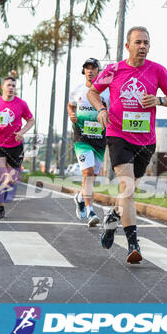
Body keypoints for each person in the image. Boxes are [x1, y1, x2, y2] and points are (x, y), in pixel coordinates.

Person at [87, 26, 167, 264]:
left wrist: (159, 99)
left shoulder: (157, 70)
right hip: (118, 134)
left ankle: (112, 218)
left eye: (146, 43)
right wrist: (101, 109)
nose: (143, 46)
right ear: (128, 46)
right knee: (127, 187)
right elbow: (93, 92)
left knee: (128, 192)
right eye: (138, 42)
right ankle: (133, 244)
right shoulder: (114, 70)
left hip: (145, 140)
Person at [0, 77, 35, 219]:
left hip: (15, 145)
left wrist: (22, 132)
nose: (11, 87)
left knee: (11, 180)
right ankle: (0, 207)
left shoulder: (21, 104)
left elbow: (31, 120)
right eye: (8, 85)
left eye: (13, 85)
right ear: (3, 86)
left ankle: (1, 191)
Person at [68, 58, 110, 227]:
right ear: (84, 71)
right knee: (88, 173)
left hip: (100, 139)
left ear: (99, 72)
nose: (90, 71)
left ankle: (80, 198)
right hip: (82, 137)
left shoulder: (107, 92)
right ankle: (91, 210)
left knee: (92, 175)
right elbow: (70, 106)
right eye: (87, 68)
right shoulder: (77, 90)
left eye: (94, 68)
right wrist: (72, 114)